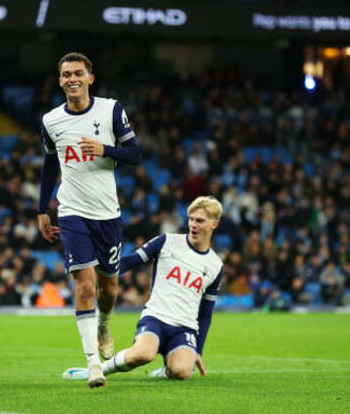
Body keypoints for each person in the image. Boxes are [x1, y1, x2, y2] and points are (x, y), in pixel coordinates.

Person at [38, 52, 141, 388]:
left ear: (89, 78)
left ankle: (103, 324)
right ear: (60, 80)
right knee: (84, 285)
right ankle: (94, 364)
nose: (72, 79)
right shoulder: (51, 120)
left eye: (78, 73)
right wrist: (43, 208)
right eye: (66, 74)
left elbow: (135, 154)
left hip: (107, 214)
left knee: (108, 288)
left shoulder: (110, 109)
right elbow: (50, 164)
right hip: (71, 213)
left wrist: (105, 150)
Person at [62, 196, 224, 382]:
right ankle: (95, 370)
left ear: (214, 224)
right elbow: (131, 261)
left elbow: (205, 314)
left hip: (185, 328)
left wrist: (198, 351)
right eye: (191, 219)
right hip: (156, 318)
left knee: (182, 372)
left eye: (200, 221)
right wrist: (96, 265)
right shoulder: (167, 242)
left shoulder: (216, 266)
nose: (193, 224)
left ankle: (166, 369)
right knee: (143, 355)